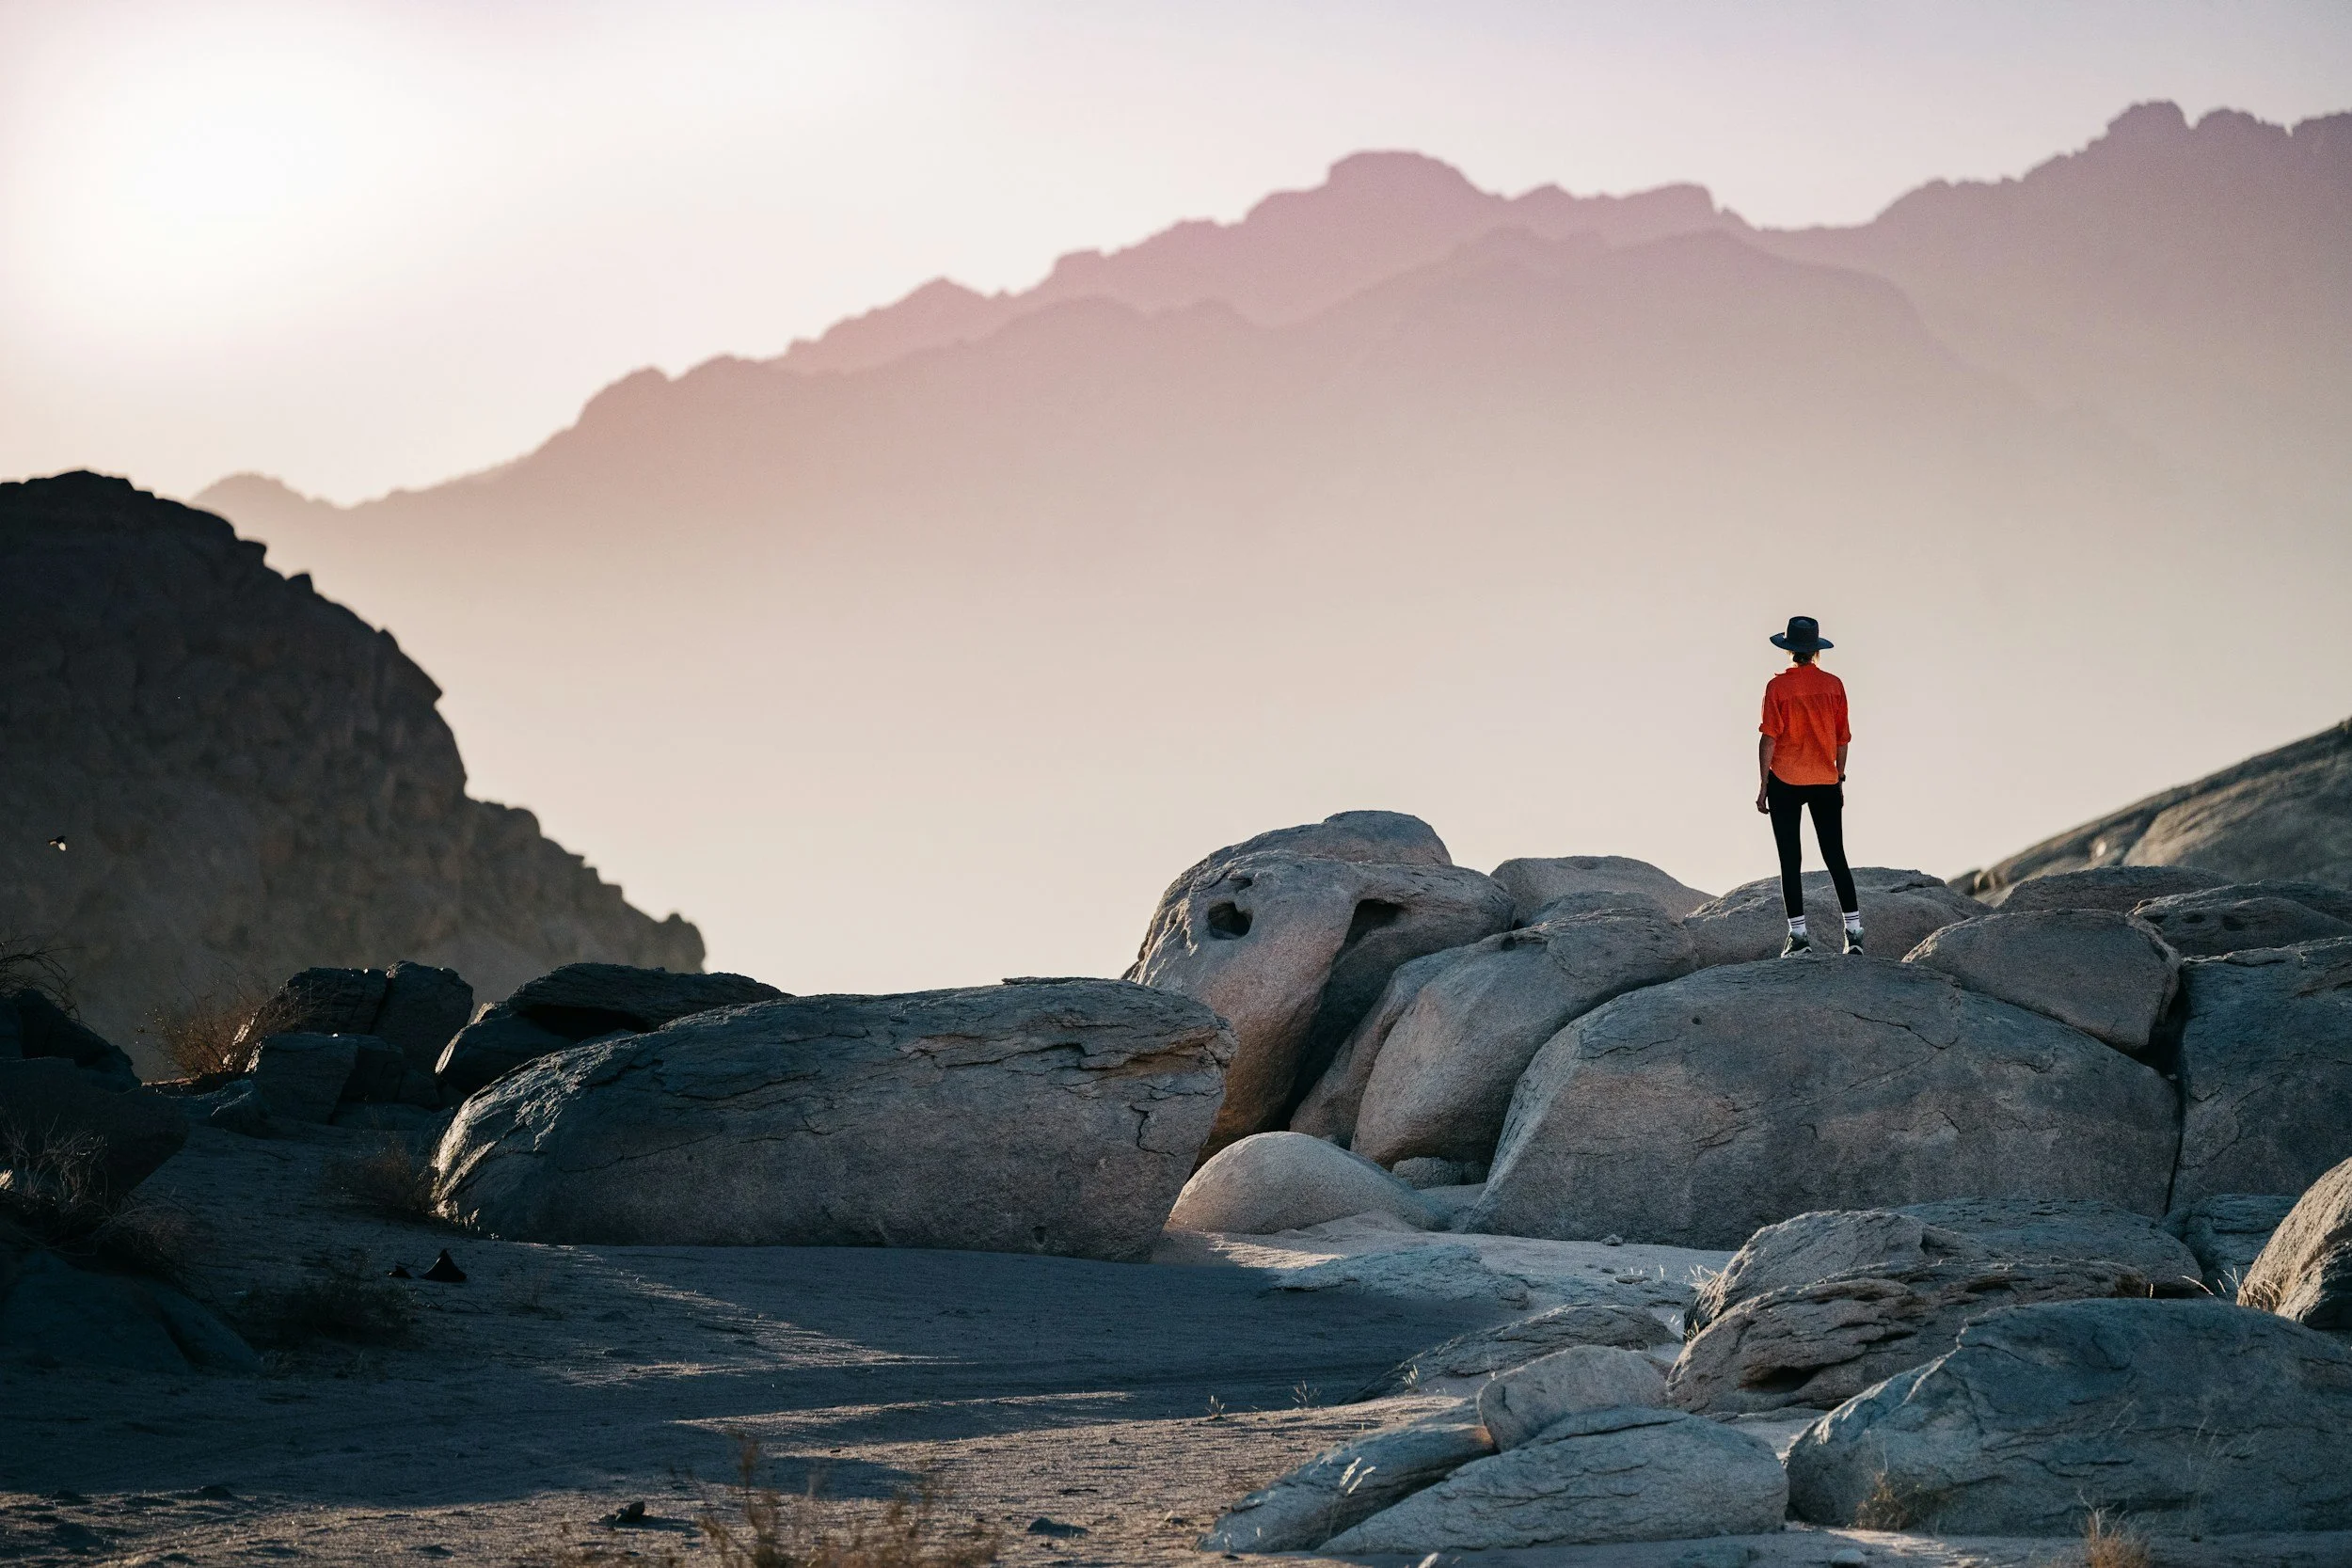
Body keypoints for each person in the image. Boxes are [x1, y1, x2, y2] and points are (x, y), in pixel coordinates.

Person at [1755, 615, 1860, 957]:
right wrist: (1839, 776)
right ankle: (1854, 932)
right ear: (1816, 651)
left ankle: (1799, 938)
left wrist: (1763, 784)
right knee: (1835, 856)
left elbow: (1768, 738)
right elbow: (1843, 739)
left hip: (1785, 779)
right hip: (1825, 779)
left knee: (1790, 859)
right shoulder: (1834, 685)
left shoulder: (1777, 688)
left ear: (1789, 650)